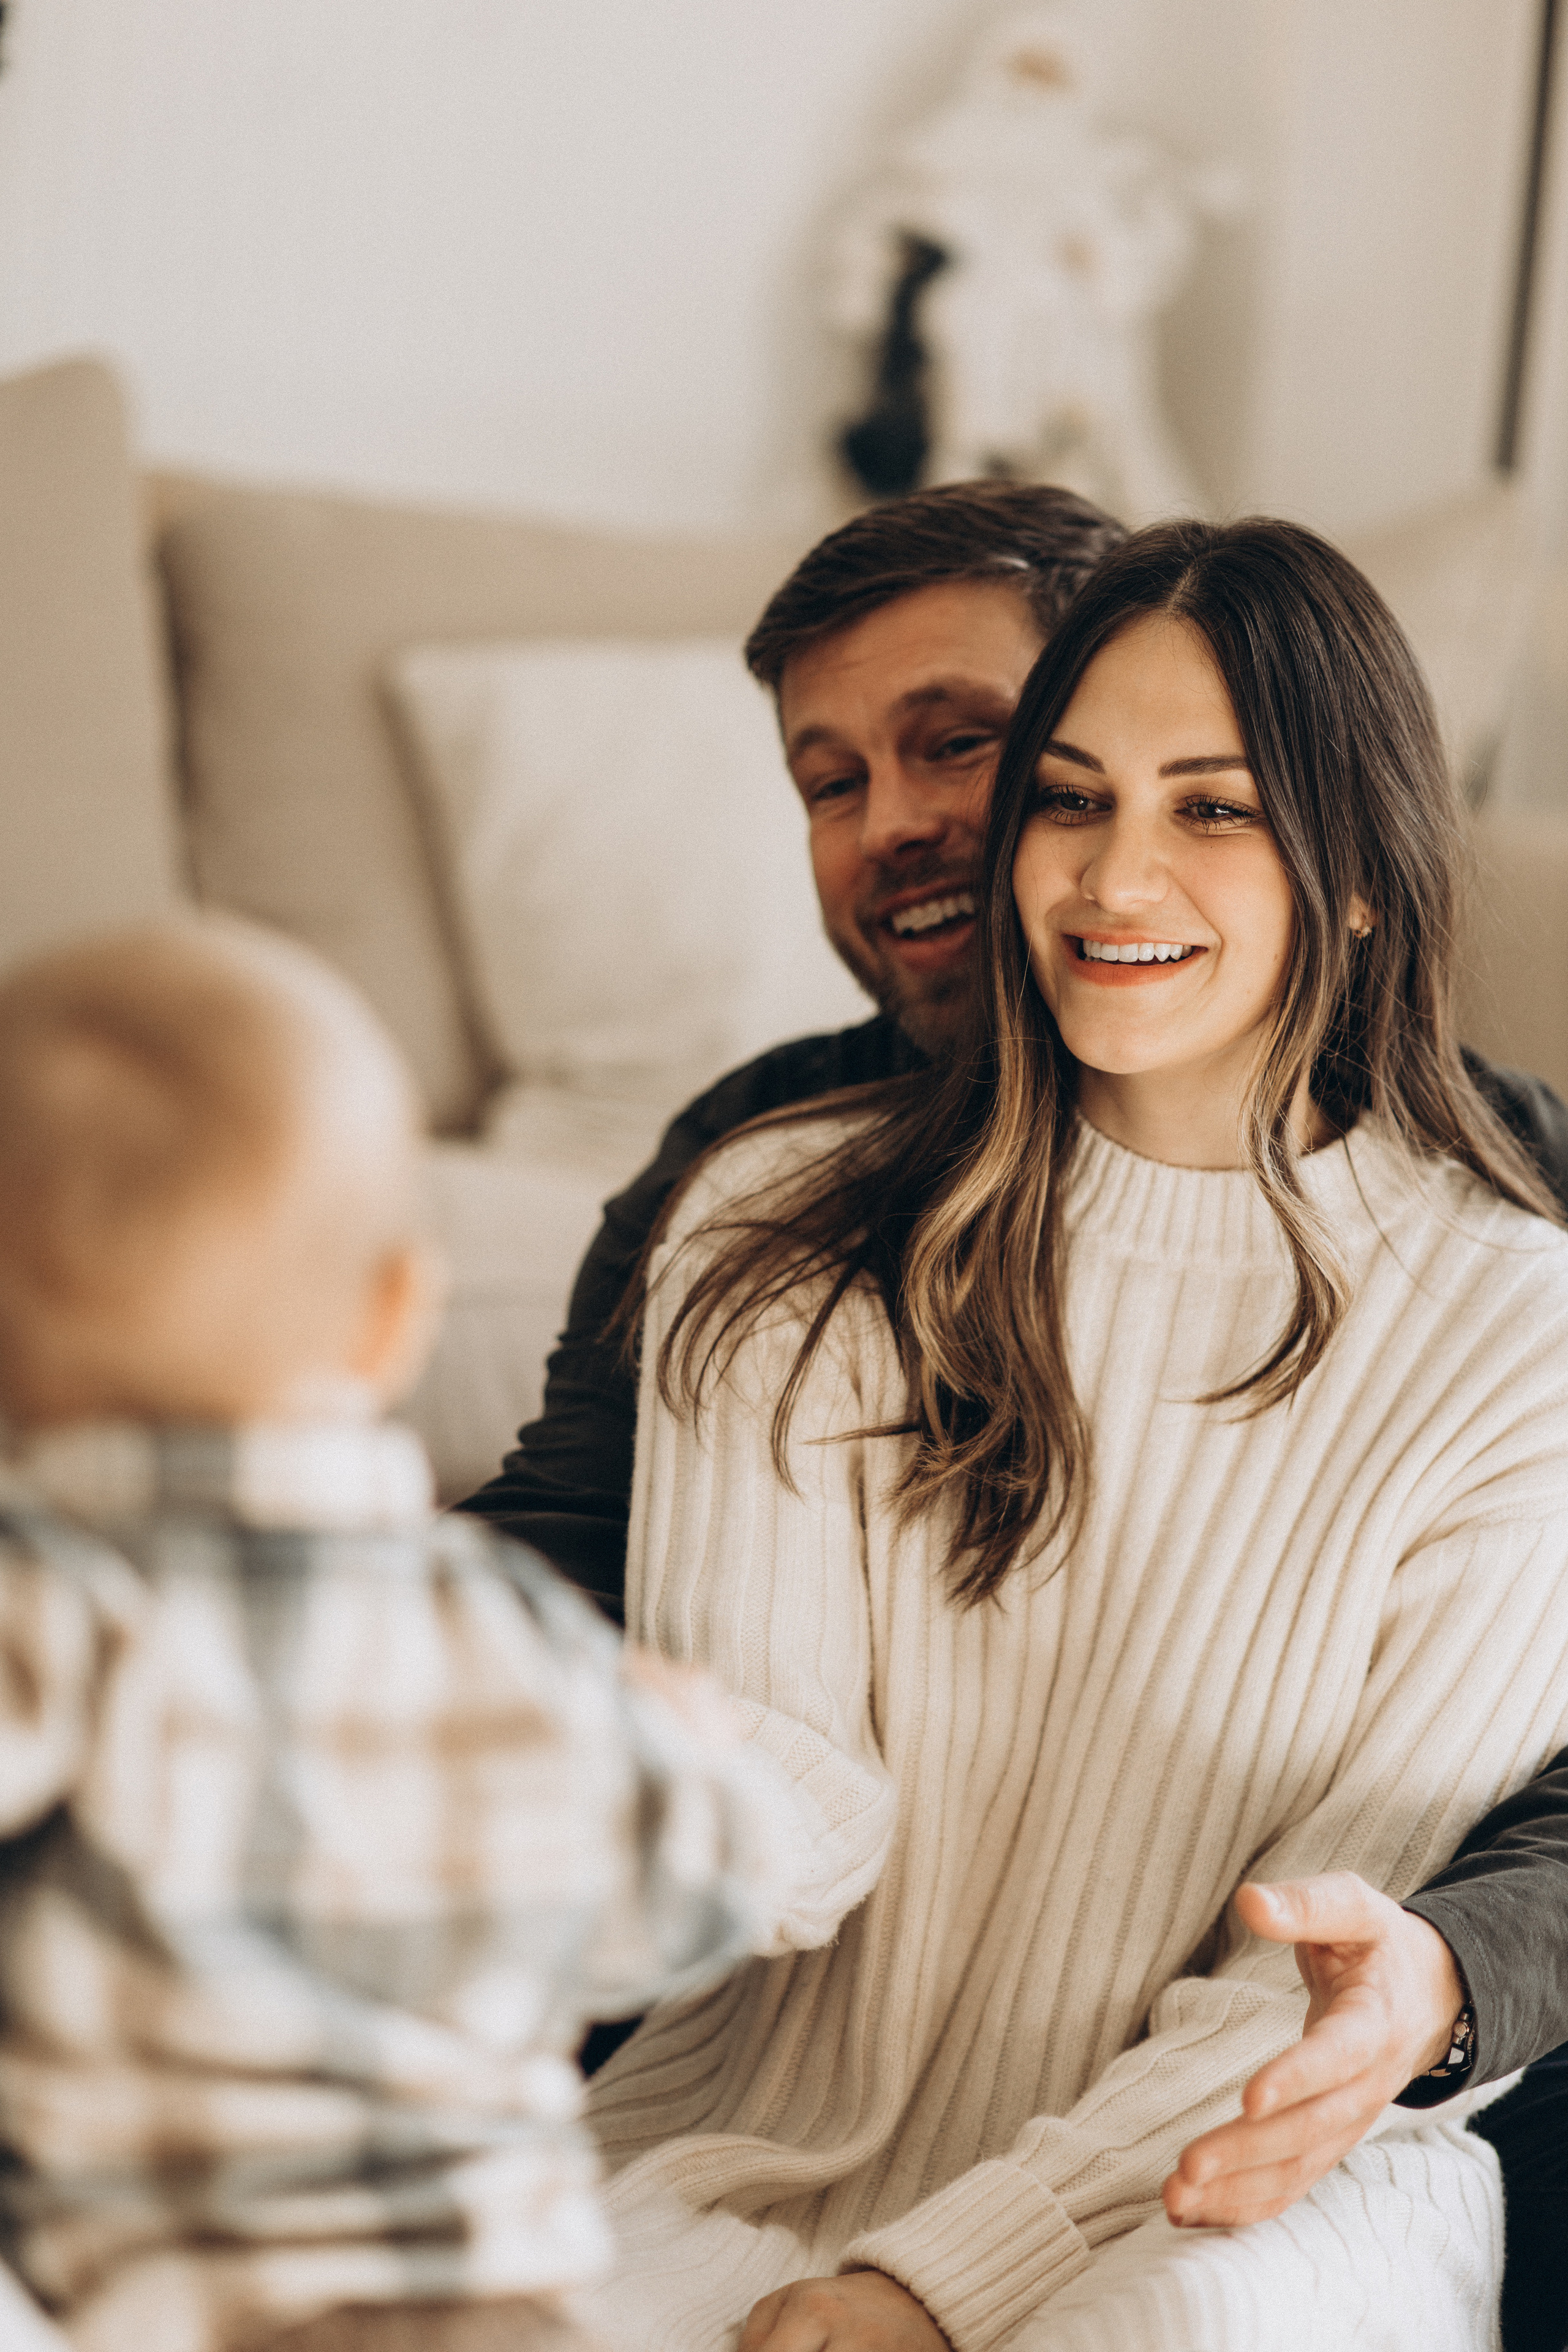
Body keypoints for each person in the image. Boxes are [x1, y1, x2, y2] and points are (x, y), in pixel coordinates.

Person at [459, 481, 1568, 2352]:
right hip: (768, 2126)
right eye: (1073, 797)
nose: (1110, 877)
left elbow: (1318, 1967)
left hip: (1267, 2156)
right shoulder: (772, 1210)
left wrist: (941, 2284)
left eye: (1210, 807)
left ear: (1361, 862)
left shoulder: (1517, 1300)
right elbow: (766, 1767)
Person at [0, 919, 790, 2352]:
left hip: (178, 2308)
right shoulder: (498, 1623)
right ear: (392, 1322)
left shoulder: (50, 1604)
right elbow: (690, 1906)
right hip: (497, 2302)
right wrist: (682, 1745)